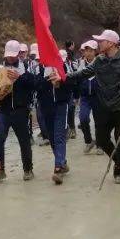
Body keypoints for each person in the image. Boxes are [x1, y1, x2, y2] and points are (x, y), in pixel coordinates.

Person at [65, 29, 120, 184]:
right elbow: (83, 73)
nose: (99, 43)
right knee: (101, 140)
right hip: (103, 107)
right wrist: (63, 77)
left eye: (102, 41)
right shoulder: (99, 60)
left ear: (112, 43)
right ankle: (118, 160)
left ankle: (119, 171)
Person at [0, 40, 36, 182]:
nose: (10, 58)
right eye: (8, 55)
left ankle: (28, 169)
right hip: (4, 110)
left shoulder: (27, 66)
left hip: (21, 110)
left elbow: (35, 83)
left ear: (18, 54)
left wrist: (20, 77)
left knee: (24, 140)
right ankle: (0, 170)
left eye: (13, 55)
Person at [37, 50, 74, 185]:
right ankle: (62, 162)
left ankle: (58, 168)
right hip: (46, 106)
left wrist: (60, 83)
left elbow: (71, 83)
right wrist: (47, 81)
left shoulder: (62, 65)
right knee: (51, 136)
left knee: (59, 135)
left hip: (60, 105)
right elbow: (35, 85)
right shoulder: (39, 68)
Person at [75, 41, 99, 153]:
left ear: (95, 51)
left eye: (91, 50)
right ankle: (89, 141)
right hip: (85, 97)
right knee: (83, 118)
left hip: (98, 96)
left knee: (99, 120)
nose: (88, 53)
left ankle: (100, 144)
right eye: (86, 50)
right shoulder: (80, 64)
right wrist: (76, 96)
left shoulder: (100, 62)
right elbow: (76, 80)